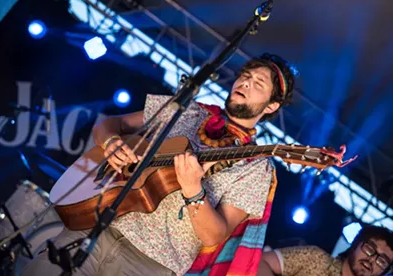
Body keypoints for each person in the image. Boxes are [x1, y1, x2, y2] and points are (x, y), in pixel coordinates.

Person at [22, 53, 295, 276]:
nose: (245, 83)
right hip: (98, 223)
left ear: (271, 106)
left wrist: (193, 192)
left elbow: (216, 234)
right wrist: (111, 144)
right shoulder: (187, 109)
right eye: (245, 76)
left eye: (258, 83)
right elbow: (110, 124)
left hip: (148, 266)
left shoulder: (257, 167)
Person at [258, 225, 393, 276]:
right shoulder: (316, 258)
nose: (372, 259)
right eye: (370, 249)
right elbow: (260, 262)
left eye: (382, 261)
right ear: (355, 245)